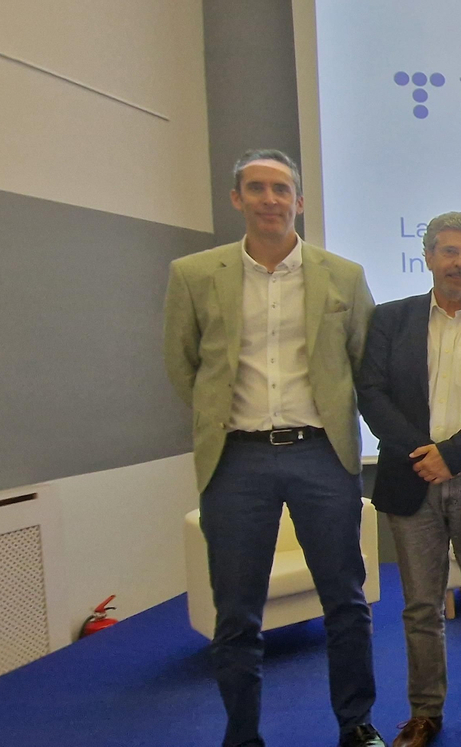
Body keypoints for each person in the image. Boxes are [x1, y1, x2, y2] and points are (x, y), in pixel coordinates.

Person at [163, 149, 384, 747]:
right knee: (236, 611)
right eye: (257, 188)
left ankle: (356, 723)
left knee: (346, 600)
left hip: (321, 454)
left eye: (281, 189)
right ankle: (242, 735)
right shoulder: (193, 275)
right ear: (237, 198)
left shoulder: (343, 276)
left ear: (299, 201)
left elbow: (365, 364)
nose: (269, 199)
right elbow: (183, 366)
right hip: (237, 459)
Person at [355, 211, 461, 747]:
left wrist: (451, 456)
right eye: (450, 251)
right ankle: (425, 713)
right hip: (411, 481)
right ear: (428, 256)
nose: (460, 263)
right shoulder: (390, 319)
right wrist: (421, 455)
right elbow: (371, 393)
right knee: (421, 606)